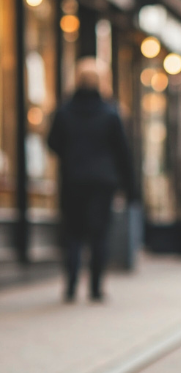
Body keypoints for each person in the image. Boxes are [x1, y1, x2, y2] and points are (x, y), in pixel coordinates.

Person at [48, 58, 135, 302]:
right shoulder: (111, 113)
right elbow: (123, 153)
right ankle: (95, 288)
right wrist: (130, 187)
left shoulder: (64, 111)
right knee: (99, 234)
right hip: (102, 182)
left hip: (73, 179)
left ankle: (71, 286)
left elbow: (52, 143)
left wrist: (71, 154)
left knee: (73, 233)